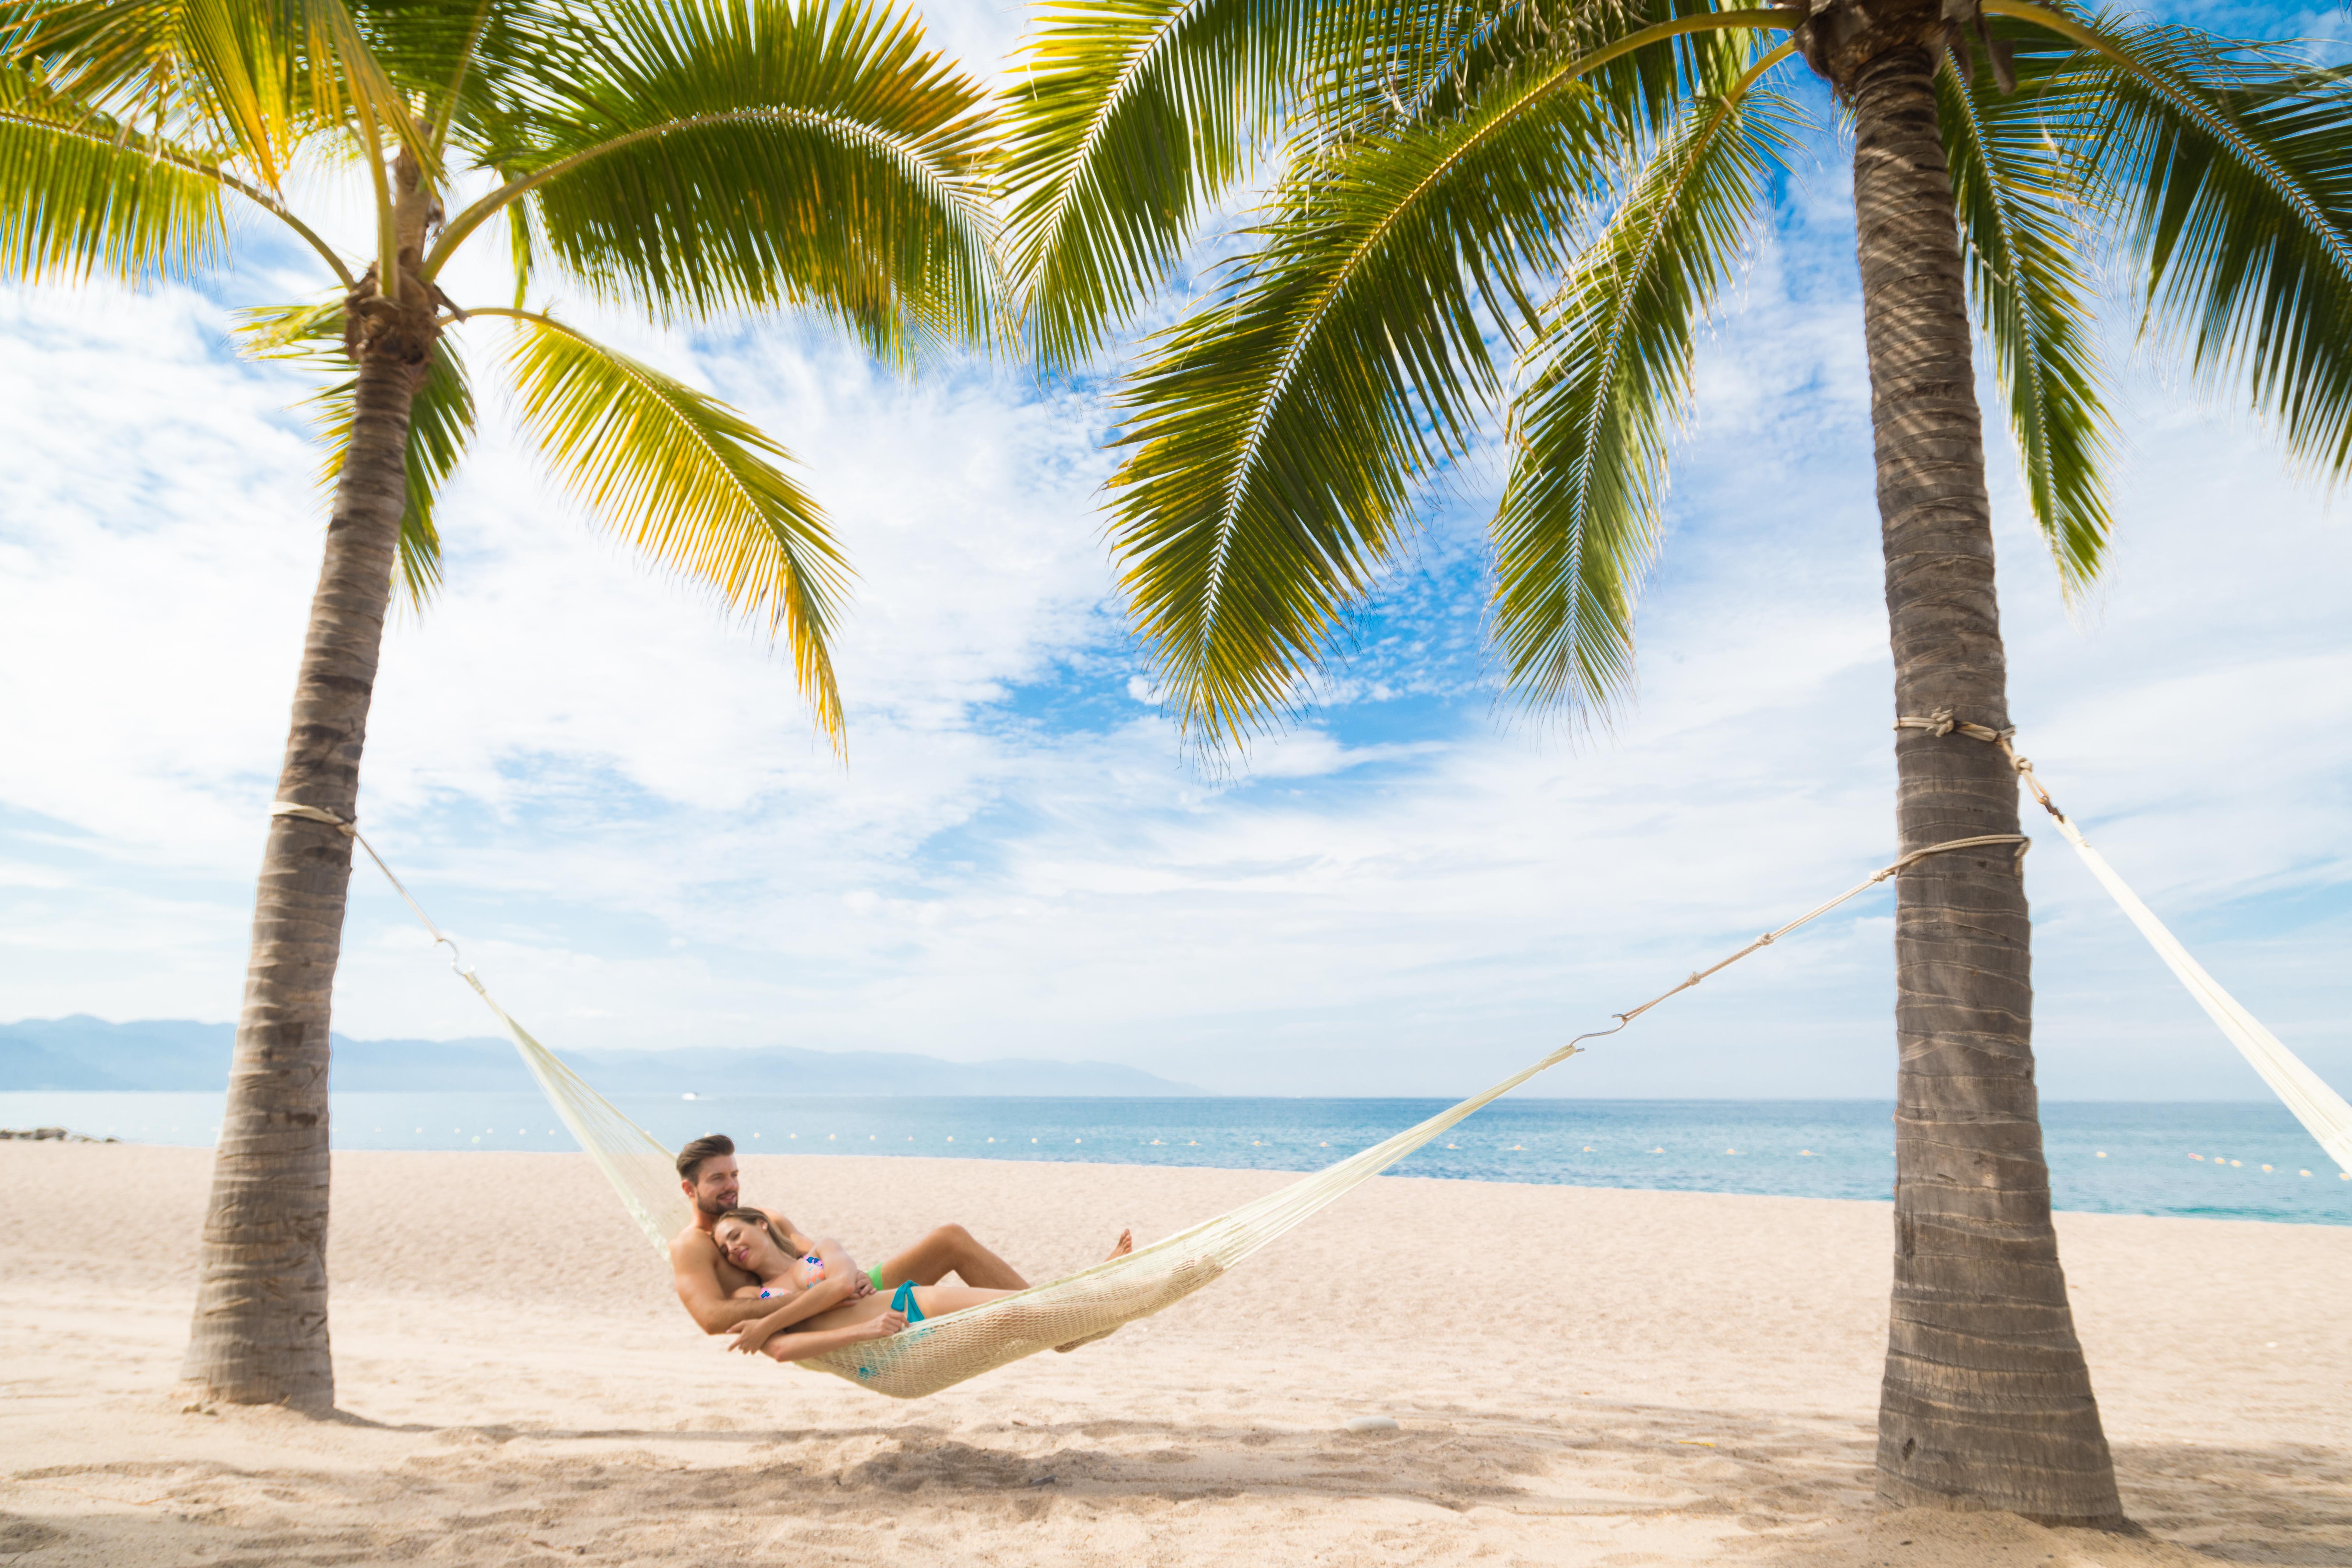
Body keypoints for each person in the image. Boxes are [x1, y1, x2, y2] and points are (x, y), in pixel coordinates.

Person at [667, 1133, 1132, 1340]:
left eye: (734, 1174)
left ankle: (1062, 1318)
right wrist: (819, 1296)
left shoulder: (761, 1216)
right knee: (1007, 1312)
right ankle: (1066, 1319)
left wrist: (842, 1277)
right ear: (690, 1189)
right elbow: (712, 1318)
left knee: (950, 1238)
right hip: (818, 1309)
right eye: (717, 1180)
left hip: (848, 1288)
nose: (731, 1186)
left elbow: (812, 1256)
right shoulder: (691, 1245)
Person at [707, 1207, 1021, 1363]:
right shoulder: (750, 1295)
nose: (732, 1248)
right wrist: (864, 1330)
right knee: (1020, 1312)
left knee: (1027, 1310)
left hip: (905, 1299)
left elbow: (843, 1284)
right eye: (724, 1249)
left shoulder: (819, 1251)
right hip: (895, 1321)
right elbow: (779, 1349)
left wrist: (766, 1323)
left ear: (762, 1224)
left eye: (735, 1236)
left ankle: (1063, 1322)